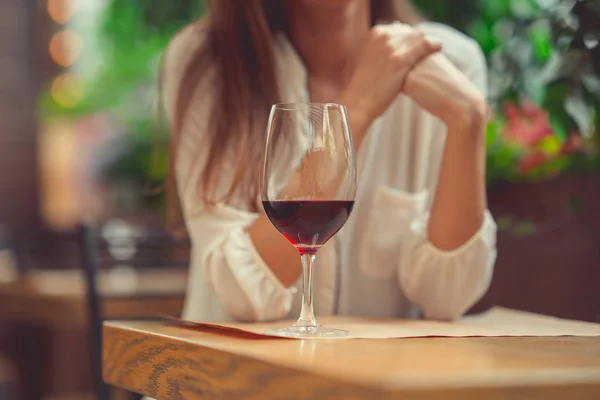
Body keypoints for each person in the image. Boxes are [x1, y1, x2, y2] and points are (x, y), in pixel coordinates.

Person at [161, 0, 497, 323]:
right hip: (234, 375)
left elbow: (448, 298)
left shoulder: (449, 60)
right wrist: (356, 109)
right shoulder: (207, 63)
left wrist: (469, 120)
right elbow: (241, 293)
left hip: (378, 377)